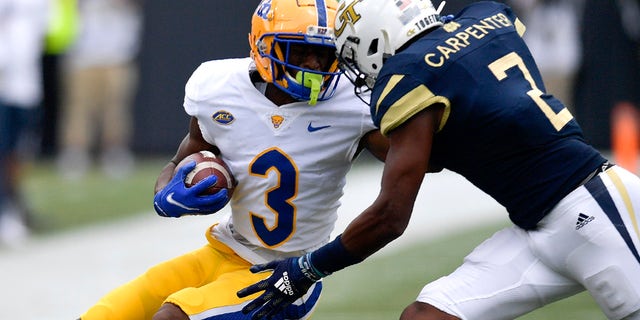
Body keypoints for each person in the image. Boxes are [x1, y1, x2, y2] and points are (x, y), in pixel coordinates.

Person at [237, 1, 640, 320]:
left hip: (595, 210)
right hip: (538, 226)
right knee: (427, 315)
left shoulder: (409, 76)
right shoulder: (488, 17)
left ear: (374, 40)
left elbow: (390, 217)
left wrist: (308, 268)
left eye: (353, 56)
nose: (358, 71)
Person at [78, 0, 387, 319]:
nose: (314, 64)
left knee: (171, 317)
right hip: (224, 250)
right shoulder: (220, 88)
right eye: (299, 51)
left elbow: (417, 162)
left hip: (287, 275)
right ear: (263, 45)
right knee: (105, 314)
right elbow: (179, 161)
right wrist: (165, 197)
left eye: (324, 53)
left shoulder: (354, 103)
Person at [57, 0, 143, 179]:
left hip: (117, 55)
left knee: (116, 108)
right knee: (78, 108)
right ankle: (75, 152)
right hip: (82, 55)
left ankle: (114, 151)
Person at [0, 0, 49, 246]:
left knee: (20, 152)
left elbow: (41, 30)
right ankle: (5, 213)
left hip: (27, 83)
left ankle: (15, 206)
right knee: (4, 150)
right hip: (4, 84)